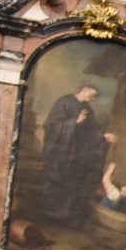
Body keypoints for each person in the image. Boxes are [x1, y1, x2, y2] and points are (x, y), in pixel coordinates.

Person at [41, 83, 119, 221]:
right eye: (92, 95)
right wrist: (74, 123)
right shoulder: (64, 102)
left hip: (77, 155)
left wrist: (104, 135)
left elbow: (92, 130)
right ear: (85, 90)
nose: (93, 99)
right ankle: (49, 216)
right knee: (57, 183)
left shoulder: (87, 109)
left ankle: (65, 218)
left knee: (74, 184)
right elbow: (50, 125)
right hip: (61, 154)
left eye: (95, 97)